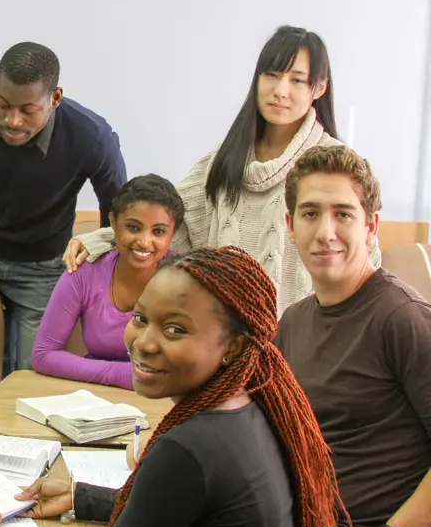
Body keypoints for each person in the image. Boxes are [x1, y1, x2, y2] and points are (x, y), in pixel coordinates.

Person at [0, 246, 346, 527]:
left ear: (233, 347)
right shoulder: (252, 407)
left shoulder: (187, 450)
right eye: (140, 318)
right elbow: (178, 508)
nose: (143, 343)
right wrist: (81, 497)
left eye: (175, 329)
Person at [63, 25, 379, 318]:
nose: (280, 90)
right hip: (220, 337)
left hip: (304, 340)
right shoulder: (224, 159)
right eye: (271, 74)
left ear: (319, 87)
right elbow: (168, 222)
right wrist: (104, 239)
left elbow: (365, 264)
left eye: (297, 80)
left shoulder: (334, 167)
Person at [277, 145, 431, 527]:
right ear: (290, 225)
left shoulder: (402, 318)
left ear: (370, 226)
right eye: (310, 213)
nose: (325, 232)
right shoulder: (292, 322)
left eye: (343, 214)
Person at [0, 41, 127, 373]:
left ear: (55, 98)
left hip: (43, 270)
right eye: (3, 105)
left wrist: (103, 279)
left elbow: (118, 210)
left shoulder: (91, 135)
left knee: (30, 378)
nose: (12, 120)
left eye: (27, 110)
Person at [31, 174, 182, 387]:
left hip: (162, 399)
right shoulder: (84, 272)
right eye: (133, 227)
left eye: (158, 231)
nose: (144, 241)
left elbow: (188, 368)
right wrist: (124, 375)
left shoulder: (185, 283)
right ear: (113, 222)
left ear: (173, 234)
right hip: (95, 395)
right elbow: (43, 354)